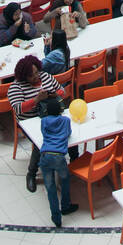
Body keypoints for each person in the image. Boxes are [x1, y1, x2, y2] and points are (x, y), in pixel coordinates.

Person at [8, 55, 70, 192]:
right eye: (31, 75)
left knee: (68, 132)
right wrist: (36, 99)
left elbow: (62, 91)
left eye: (36, 72)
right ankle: (31, 174)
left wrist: (54, 94)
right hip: (29, 121)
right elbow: (17, 108)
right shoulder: (16, 87)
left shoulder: (46, 77)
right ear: (24, 76)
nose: (36, 77)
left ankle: (73, 163)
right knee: (40, 143)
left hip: (51, 116)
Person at [38, 95, 79, 228]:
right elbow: (68, 133)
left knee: (50, 188)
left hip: (45, 155)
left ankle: (56, 218)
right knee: (65, 179)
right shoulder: (65, 120)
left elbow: (44, 134)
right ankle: (66, 206)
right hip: (59, 157)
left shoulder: (44, 121)